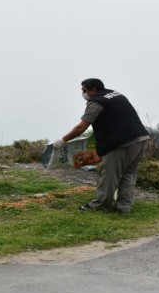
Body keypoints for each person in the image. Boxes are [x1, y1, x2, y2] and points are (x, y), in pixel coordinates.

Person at [53, 78, 150, 213]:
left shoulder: (96, 101)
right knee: (128, 174)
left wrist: (63, 140)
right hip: (141, 138)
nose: (83, 94)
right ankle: (123, 208)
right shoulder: (115, 94)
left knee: (109, 175)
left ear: (94, 90)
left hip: (121, 143)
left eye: (84, 90)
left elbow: (82, 127)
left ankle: (100, 206)